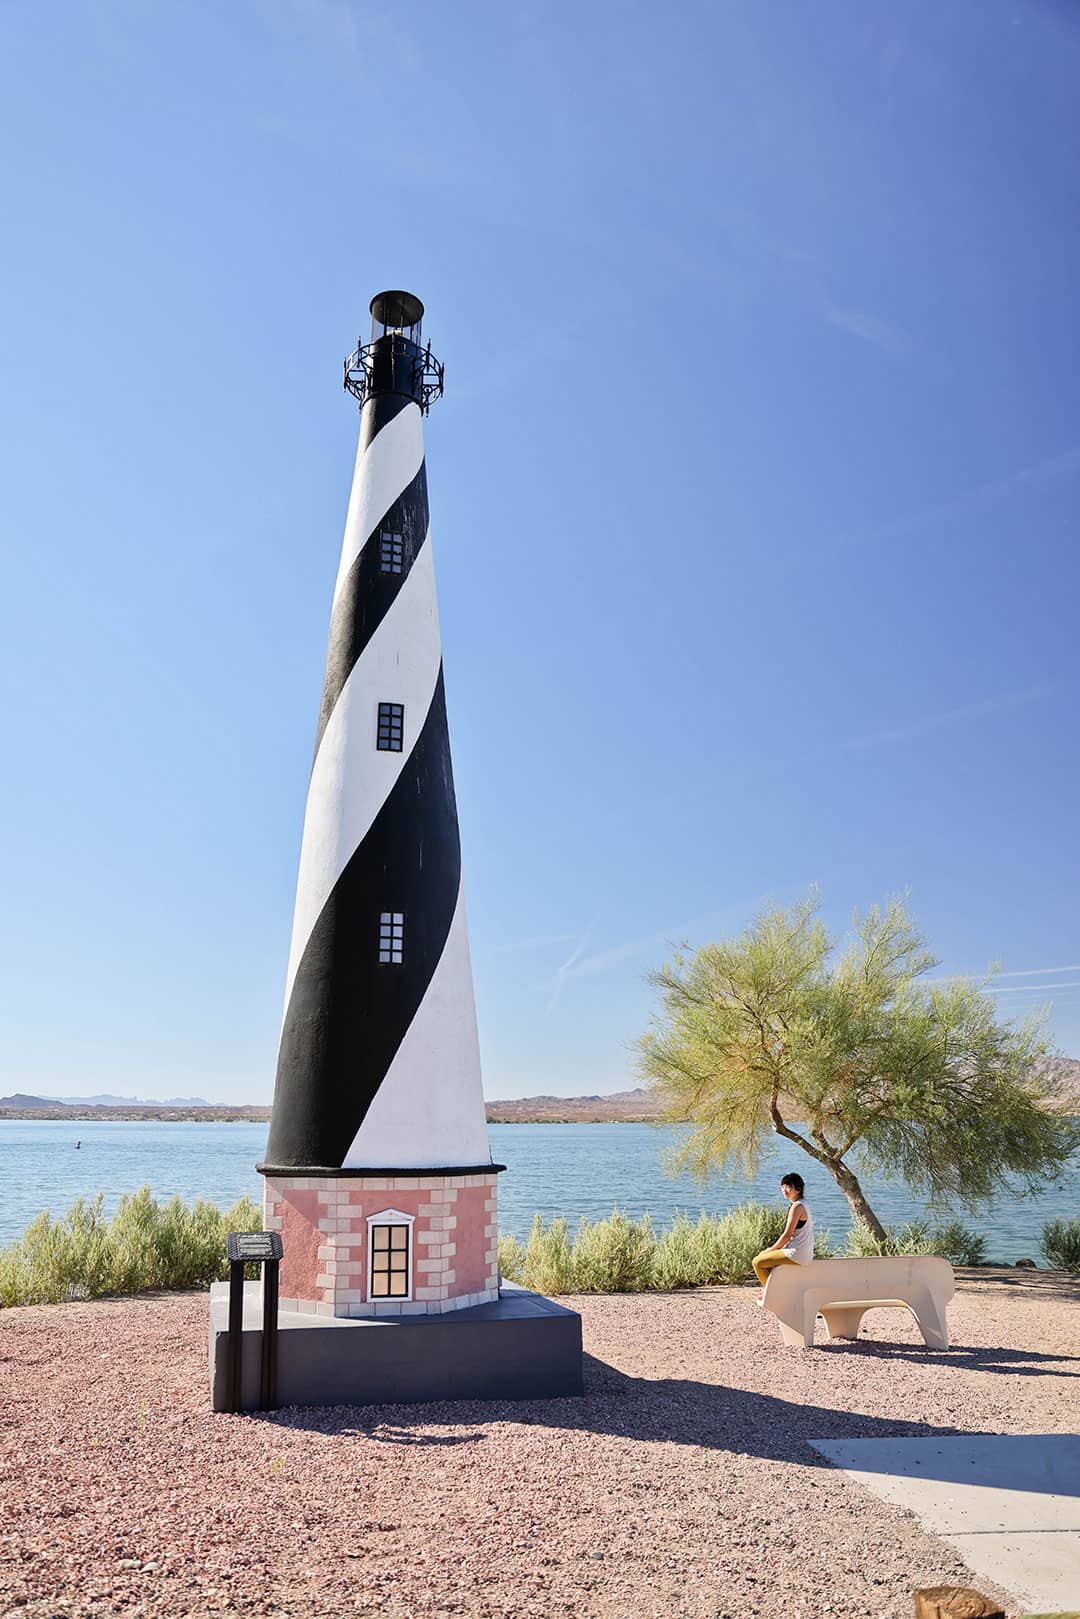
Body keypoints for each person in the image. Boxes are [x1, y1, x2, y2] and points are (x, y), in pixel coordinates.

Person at [752, 1173, 814, 1299]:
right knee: (766, 1260)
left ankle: (771, 1293)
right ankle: (774, 1290)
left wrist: (771, 1249)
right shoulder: (803, 1204)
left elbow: (787, 1235)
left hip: (796, 1253)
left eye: (788, 1187)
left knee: (757, 1262)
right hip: (803, 1252)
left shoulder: (797, 1207)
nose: (784, 1190)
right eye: (782, 1186)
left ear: (798, 1189)